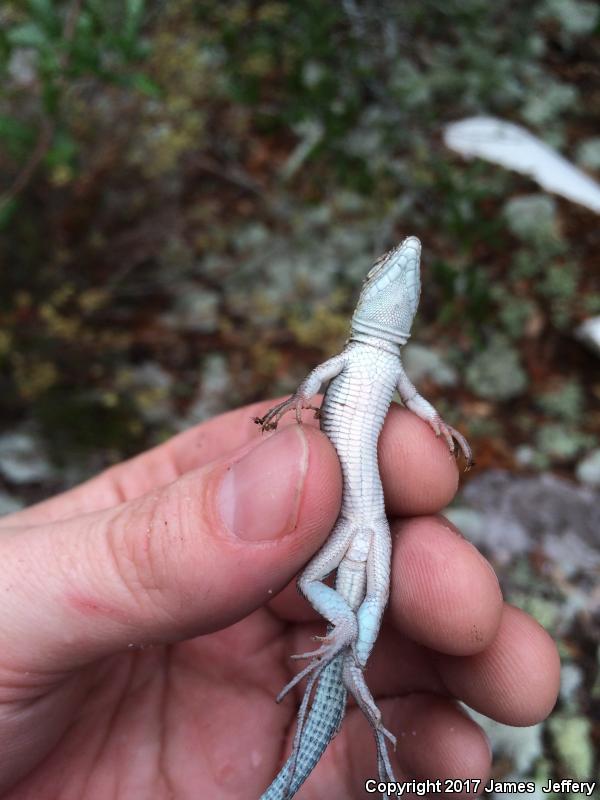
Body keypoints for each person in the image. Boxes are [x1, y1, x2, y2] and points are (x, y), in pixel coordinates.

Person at [0, 400, 559, 798]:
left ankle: (355, 688)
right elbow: (319, 382)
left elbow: (409, 402)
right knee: (365, 612)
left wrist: (435, 420)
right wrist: (292, 405)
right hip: (354, 534)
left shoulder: (388, 369)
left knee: (384, 623)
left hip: (362, 532)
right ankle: (355, 682)